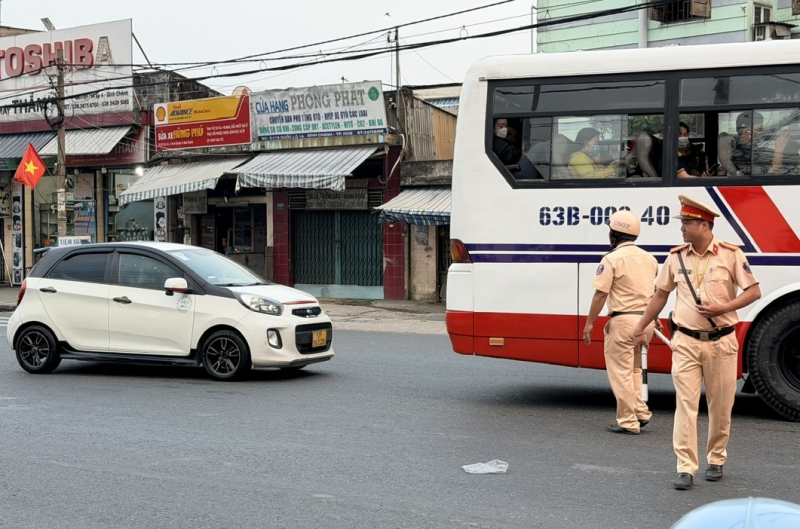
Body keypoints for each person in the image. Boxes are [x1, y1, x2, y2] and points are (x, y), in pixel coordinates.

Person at [633, 195, 761, 491]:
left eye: (687, 223)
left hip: (722, 342)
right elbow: (660, 296)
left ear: (704, 225)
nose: (682, 229)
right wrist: (641, 326)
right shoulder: (676, 257)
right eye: (683, 223)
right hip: (686, 342)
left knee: (721, 405)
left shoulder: (730, 255)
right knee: (685, 405)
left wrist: (722, 307)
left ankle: (716, 458)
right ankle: (685, 467)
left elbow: (753, 292)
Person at [583, 211, 658, 435]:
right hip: (646, 321)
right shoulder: (650, 259)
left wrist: (589, 323)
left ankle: (628, 421)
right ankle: (641, 412)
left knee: (621, 372)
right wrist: (654, 318)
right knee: (635, 369)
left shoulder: (612, 259)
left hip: (624, 321)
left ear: (613, 235)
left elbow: (600, 295)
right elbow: (656, 293)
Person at [731, 111, 792, 175]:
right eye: (759, 129)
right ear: (747, 132)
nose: (762, 132)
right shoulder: (740, 155)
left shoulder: (752, 147)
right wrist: (779, 149)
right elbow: (772, 174)